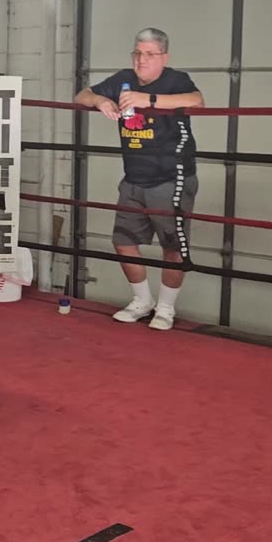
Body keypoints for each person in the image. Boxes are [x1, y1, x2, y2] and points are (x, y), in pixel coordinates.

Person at [73, 27, 205, 330]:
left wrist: (150, 99)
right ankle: (142, 300)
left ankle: (166, 308)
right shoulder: (122, 79)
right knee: (123, 241)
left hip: (172, 176)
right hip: (133, 177)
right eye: (137, 53)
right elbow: (82, 94)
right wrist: (99, 101)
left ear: (163, 56)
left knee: (172, 247)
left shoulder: (175, 80)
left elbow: (198, 101)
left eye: (148, 54)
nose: (141, 60)